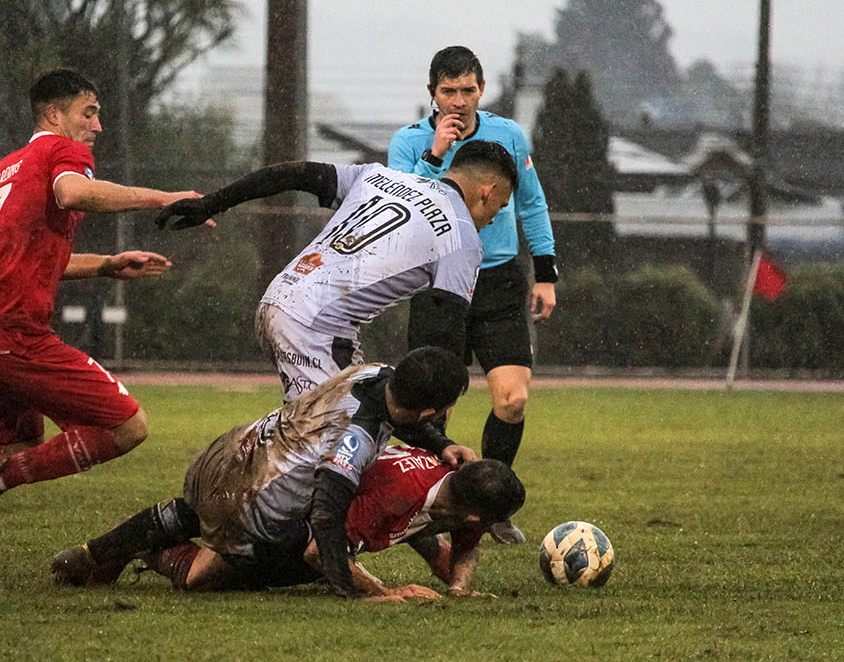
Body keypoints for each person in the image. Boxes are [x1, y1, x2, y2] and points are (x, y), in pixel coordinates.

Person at [0, 69, 200, 571]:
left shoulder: (10, 167)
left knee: (17, 444)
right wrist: (165, 198)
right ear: (54, 115)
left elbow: (27, 258)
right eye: (89, 112)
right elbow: (75, 193)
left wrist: (106, 264)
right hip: (12, 331)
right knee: (127, 426)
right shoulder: (61, 152)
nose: (97, 127)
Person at [51, 346, 480, 600]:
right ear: (430, 408)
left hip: (227, 457)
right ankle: (151, 553)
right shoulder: (357, 439)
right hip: (249, 509)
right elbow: (327, 519)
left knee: (203, 507)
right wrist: (370, 595)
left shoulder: (377, 375)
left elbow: (397, 417)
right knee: (272, 566)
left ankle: (95, 553)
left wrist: (441, 444)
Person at [157, 139, 518, 404]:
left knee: (326, 427)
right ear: (488, 191)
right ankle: (208, 506)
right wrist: (442, 401)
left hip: (277, 298)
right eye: (499, 207)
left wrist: (212, 202)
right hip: (316, 328)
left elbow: (293, 173)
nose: (492, 219)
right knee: (343, 444)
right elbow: (443, 334)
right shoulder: (463, 237)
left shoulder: (379, 177)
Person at [388, 46, 559, 545]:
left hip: (500, 281)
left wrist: (545, 273)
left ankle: (489, 505)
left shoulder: (507, 135)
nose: (459, 101)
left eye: (468, 90)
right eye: (448, 92)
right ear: (432, 95)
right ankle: (429, 508)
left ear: (481, 90)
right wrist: (437, 154)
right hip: (438, 282)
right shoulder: (410, 142)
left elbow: (532, 203)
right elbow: (397, 206)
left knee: (513, 400)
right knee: (430, 409)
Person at [106, 445, 525, 598]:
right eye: (491, 523)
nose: (485, 531)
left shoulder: (454, 485)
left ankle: (151, 531)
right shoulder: (398, 494)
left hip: (300, 501)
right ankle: (139, 539)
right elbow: (319, 552)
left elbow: (445, 534)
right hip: (282, 506)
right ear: (474, 514)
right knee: (201, 578)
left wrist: (458, 587)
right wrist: (385, 593)